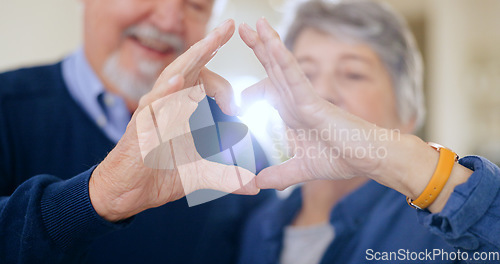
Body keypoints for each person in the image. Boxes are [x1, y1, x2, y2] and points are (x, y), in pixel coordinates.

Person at [0, 1, 272, 263]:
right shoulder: (7, 107)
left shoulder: (235, 147)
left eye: (196, 5)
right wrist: (96, 197)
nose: (168, 20)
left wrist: (314, 168)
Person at [237, 1, 500, 263]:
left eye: (353, 74)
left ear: (407, 114)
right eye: (304, 74)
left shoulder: (443, 236)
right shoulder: (256, 227)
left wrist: (410, 164)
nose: (321, 94)